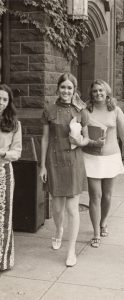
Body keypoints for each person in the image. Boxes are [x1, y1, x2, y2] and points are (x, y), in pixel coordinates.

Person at [39, 73, 89, 267]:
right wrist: (42, 165)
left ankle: (71, 251)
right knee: (57, 208)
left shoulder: (81, 111)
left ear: (74, 90)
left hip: (74, 160)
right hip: (54, 160)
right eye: (63, 87)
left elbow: (86, 138)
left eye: (70, 88)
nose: (66, 91)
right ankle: (59, 229)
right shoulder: (49, 110)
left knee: (72, 208)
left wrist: (80, 141)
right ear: (58, 88)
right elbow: (44, 138)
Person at [83, 79, 124, 248]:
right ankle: (96, 233)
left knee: (107, 195)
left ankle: (103, 222)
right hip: (91, 157)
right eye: (94, 91)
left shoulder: (115, 110)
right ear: (91, 94)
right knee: (95, 196)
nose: (98, 93)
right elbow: (79, 132)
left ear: (107, 92)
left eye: (101, 90)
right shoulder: (85, 111)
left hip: (111, 157)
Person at [0, 84, 22, 271]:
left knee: (3, 217)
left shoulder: (14, 124)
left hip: (3, 172)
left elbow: (17, 152)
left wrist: (3, 154)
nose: (1, 103)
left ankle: (2, 261)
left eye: (5, 99)